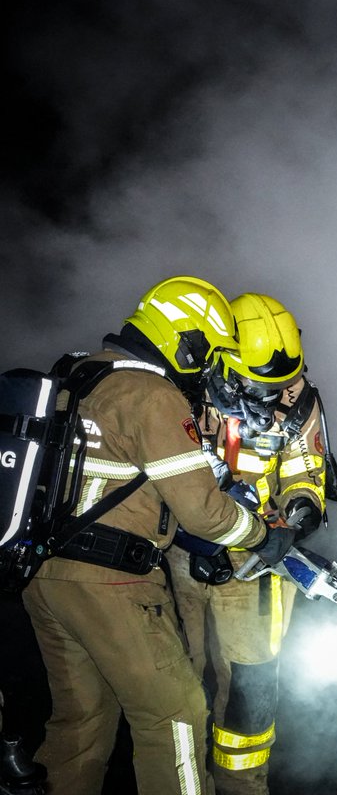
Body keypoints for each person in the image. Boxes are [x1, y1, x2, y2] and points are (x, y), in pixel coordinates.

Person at [20, 276, 297, 795]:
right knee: (177, 714)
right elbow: (205, 514)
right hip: (112, 585)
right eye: (207, 353)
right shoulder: (152, 394)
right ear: (187, 343)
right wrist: (261, 535)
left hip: (43, 575)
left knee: (81, 722)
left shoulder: (76, 374)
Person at [165, 293, 328, 795]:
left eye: (283, 381)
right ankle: (180, 781)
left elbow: (307, 473)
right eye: (262, 381)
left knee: (251, 686)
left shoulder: (298, 398)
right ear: (226, 357)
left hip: (260, 560)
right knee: (176, 679)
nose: (274, 392)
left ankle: (242, 785)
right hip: (180, 555)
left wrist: (296, 518)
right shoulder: (183, 391)